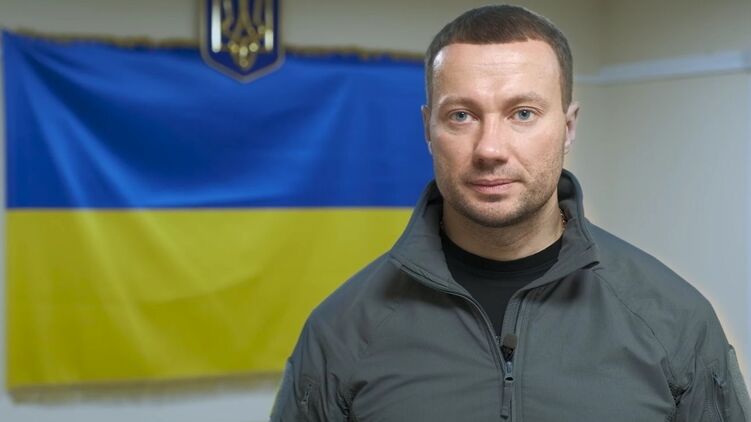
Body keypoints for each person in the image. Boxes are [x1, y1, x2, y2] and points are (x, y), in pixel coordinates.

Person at [270, 5, 750, 421]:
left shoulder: (673, 320)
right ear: (428, 128)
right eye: (462, 115)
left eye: (522, 113)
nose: (490, 149)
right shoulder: (341, 331)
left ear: (568, 127)